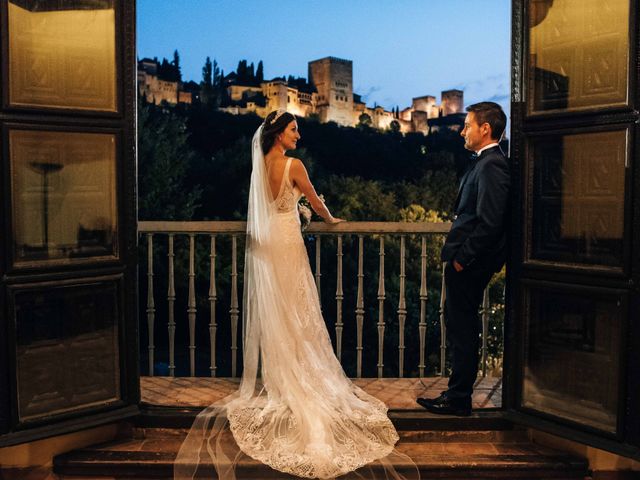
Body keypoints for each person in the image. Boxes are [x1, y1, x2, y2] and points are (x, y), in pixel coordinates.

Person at [175, 110, 415, 480]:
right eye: (293, 129)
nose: (298, 135)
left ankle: (282, 375)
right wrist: (329, 219)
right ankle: (305, 377)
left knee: (280, 312)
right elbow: (316, 202)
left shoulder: (260, 165)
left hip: (267, 247)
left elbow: (271, 207)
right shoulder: (293, 164)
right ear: (278, 134)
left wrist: (296, 210)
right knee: (301, 310)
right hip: (287, 246)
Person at [417, 102, 510, 416]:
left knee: (462, 328)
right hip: (465, 261)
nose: (461, 131)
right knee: (459, 326)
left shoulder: (492, 164)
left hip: (468, 263)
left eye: (467, 125)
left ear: (485, 129)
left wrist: (462, 259)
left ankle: (458, 399)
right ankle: (457, 395)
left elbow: (491, 221)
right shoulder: (485, 162)